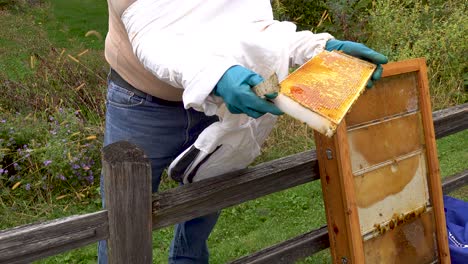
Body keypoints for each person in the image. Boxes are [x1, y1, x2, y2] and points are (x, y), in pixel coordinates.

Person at [100, 1, 388, 263]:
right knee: (125, 217)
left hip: (218, 101)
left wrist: (314, 49)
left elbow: (252, 28)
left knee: (207, 196)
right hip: (142, 104)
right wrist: (213, 75)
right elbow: (155, 37)